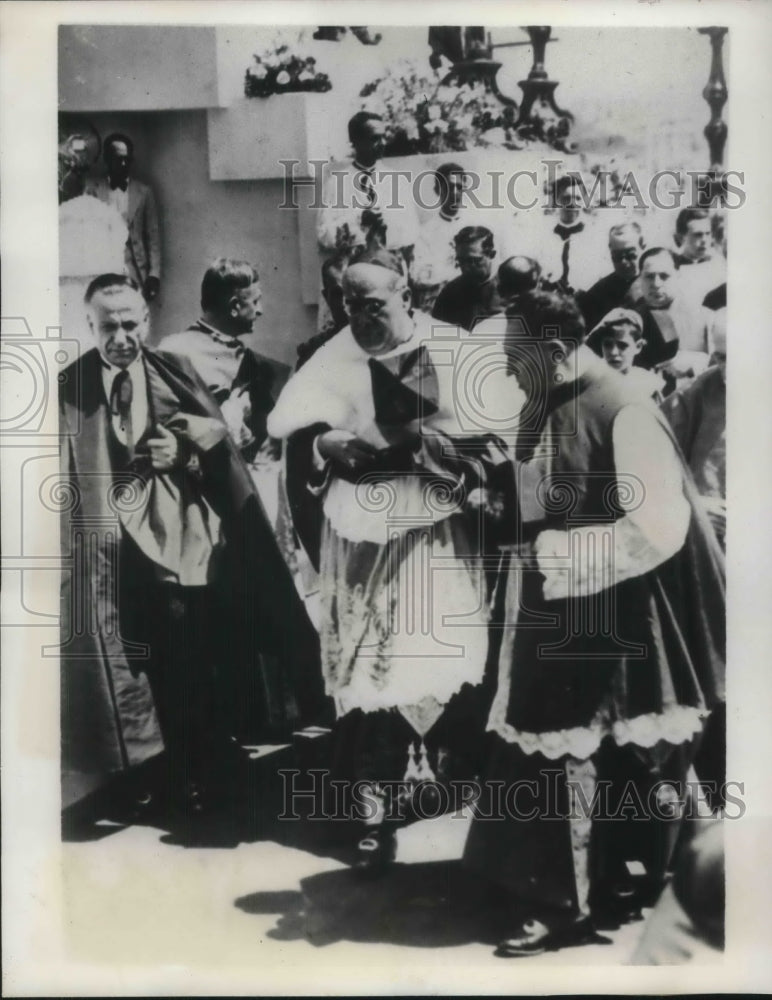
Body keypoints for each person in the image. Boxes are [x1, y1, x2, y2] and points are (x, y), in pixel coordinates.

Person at [463, 289, 725, 957]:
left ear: (552, 351)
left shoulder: (624, 407)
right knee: (567, 746)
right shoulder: (541, 397)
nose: (507, 371)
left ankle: (566, 906)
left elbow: (659, 525)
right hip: (556, 602)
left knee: (586, 748)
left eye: (514, 359)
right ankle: (598, 880)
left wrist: (556, 554)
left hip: (615, 604)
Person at [59, 274, 316, 838]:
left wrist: (184, 453)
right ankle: (131, 777)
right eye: (108, 327)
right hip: (107, 553)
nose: (121, 336)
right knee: (122, 664)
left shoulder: (175, 372)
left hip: (175, 547)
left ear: (147, 320)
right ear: (89, 327)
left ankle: (194, 775)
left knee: (185, 658)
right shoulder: (69, 388)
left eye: (131, 324)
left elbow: (221, 457)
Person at [268, 248, 495, 871]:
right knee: (369, 657)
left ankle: (451, 786)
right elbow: (287, 420)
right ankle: (377, 806)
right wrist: (323, 441)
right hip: (360, 527)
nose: (360, 316)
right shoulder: (335, 352)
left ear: (406, 299)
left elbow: (497, 428)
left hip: (433, 523)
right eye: (349, 303)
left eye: (373, 304)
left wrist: (433, 441)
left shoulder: (452, 344)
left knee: (436, 648)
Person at [161, 259, 327, 732]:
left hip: (257, 494)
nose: (261, 310)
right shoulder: (176, 353)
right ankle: (240, 715)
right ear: (235, 304)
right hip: (204, 501)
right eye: (256, 300)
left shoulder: (256, 362)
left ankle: (282, 712)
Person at [85, 133, 162, 302]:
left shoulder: (144, 192)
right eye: (118, 159)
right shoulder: (92, 190)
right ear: (107, 159)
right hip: (103, 270)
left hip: (135, 272)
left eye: (127, 159)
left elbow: (153, 237)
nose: (123, 164)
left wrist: (153, 275)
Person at [633, 247, 714, 393]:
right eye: (649, 276)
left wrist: (695, 364)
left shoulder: (705, 318)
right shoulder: (629, 319)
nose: (656, 284)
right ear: (640, 278)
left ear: (678, 276)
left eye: (664, 276)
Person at [432, 226, 504, 331]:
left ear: (491, 255)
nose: (465, 268)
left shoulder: (509, 289)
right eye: (461, 261)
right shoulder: (450, 292)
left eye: (473, 261)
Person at [587, 307, 665, 402]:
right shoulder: (590, 381)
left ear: (638, 346)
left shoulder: (647, 385)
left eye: (622, 345)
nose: (613, 352)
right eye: (607, 345)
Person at [578, 221, 645, 330]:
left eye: (630, 255)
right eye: (617, 256)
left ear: (642, 246)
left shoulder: (655, 283)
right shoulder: (599, 290)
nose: (624, 262)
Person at [672, 207, 726, 311]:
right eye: (698, 235)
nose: (704, 240)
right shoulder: (672, 268)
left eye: (707, 234)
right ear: (680, 238)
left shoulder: (720, 265)